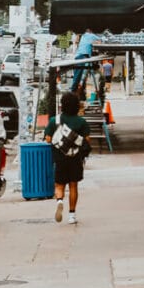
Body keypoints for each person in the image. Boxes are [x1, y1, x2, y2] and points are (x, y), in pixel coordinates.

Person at [44, 91, 91, 225]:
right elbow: (87, 140)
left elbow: (48, 139)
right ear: (77, 106)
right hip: (75, 158)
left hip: (60, 158)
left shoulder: (55, 121)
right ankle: (72, 215)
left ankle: (59, 200)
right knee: (73, 185)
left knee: (59, 185)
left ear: (62, 105)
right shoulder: (81, 122)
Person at [70, 28, 99, 93]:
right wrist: (96, 42)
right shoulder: (90, 35)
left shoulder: (83, 35)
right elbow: (101, 40)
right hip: (82, 56)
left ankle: (74, 91)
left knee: (77, 76)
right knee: (78, 76)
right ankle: (73, 91)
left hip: (78, 56)